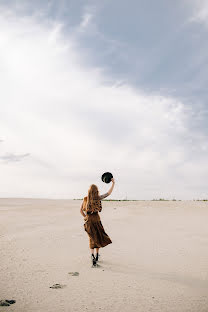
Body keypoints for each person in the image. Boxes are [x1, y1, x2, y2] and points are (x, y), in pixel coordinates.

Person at [80, 178, 115, 266]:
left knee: (92, 238)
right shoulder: (98, 198)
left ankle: (92, 255)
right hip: (97, 220)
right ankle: (96, 255)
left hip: (88, 221)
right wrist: (113, 183)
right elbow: (108, 193)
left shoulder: (85, 199)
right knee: (98, 237)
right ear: (96, 191)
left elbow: (80, 210)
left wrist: (85, 217)